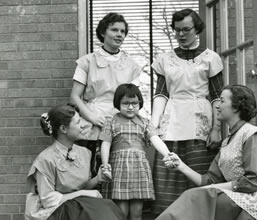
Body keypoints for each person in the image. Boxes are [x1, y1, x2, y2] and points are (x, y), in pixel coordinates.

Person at [157, 85, 257, 220]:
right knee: (193, 196)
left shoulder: (253, 135)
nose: (218, 106)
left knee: (200, 199)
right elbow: (208, 181)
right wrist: (180, 165)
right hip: (240, 197)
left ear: (236, 107)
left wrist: (213, 188)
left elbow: (251, 182)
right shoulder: (227, 143)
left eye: (222, 101)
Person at [151, 8, 224, 213]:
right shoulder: (165, 59)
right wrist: (154, 123)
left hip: (199, 120)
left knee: (199, 174)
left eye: (186, 30)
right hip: (172, 119)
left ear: (197, 29)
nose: (181, 35)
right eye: (177, 30)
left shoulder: (211, 58)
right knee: (169, 175)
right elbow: (161, 94)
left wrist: (216, 128)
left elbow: (217, 96)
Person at [25, 103, 124, 220]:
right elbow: (48, 200)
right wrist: (82, 194)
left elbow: (82, 187)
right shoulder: (45, 159)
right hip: (57, 212)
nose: (82, 126)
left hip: (78, 207)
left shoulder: (85, 153)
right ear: (63, 129)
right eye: (77, 122)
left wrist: (97, 179)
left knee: (108, 207)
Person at [70, 12, 141, 174]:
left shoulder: (132, 65)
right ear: (103, 32)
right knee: (90, 171)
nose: (119, 35)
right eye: (114, 30)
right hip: (92, 123)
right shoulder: (87, 62)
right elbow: (74, 97)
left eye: (123, 31)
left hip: (121, 122)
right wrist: (92, 117)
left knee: (119, 173)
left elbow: (134, 100)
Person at [99, 84, 171, 220]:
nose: (130, 107)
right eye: (126, 103)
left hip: (139, 170)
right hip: (119, 171)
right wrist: (105, 164)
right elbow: (106, 143)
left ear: (140, 103)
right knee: (121, 211)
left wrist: (167, 154)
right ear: (118, 104)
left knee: (137, 212)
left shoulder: (145, 122)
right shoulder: (111, 121)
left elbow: (155, 139)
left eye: (134, 103)